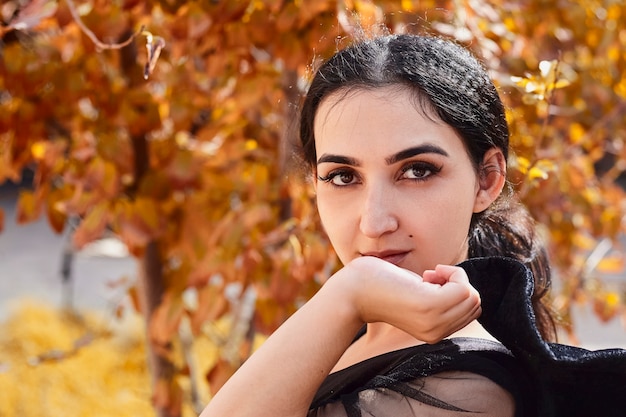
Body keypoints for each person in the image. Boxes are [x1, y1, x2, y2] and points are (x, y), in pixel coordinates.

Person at [200, 33, 626, 417]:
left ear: (487, 179)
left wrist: (352, 291)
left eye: (417, 171)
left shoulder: (463, 394)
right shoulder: (341, 335)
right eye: (343, 176)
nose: (375, 220)